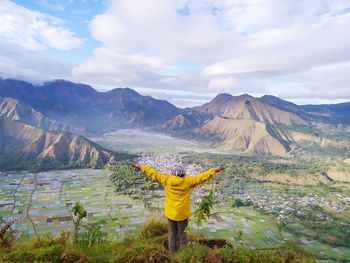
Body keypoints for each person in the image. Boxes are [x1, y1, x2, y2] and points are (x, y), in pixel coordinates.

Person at [132, 162, 225, 251]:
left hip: (171, 213)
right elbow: (202, 177)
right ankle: (183, 252)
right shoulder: (188, 181)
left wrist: (140, 167)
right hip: (182, 214)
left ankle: (172, 251)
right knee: (183, 234)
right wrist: (215, 170)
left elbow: (152, 173)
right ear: (183, 174)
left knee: (172, 234)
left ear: (173, 173)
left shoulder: (166, 179)